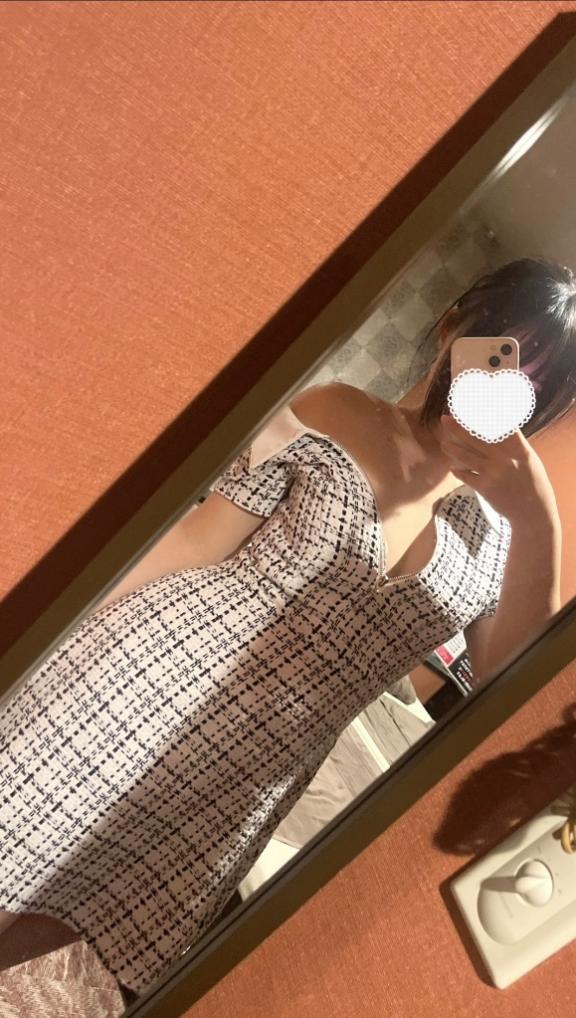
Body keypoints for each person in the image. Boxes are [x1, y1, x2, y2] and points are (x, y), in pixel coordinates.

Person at [0, 257, 574, 1000]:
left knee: (80, 919)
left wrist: (540, 525)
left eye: (535, 385)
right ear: (452, 327)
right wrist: (35, 645)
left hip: (248, 778)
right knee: (17, 856)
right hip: (147, 678)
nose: (506, 387)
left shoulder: (496, 540)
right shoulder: (338, 411)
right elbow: (198, 542)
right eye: (501, 356)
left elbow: (511, 695)